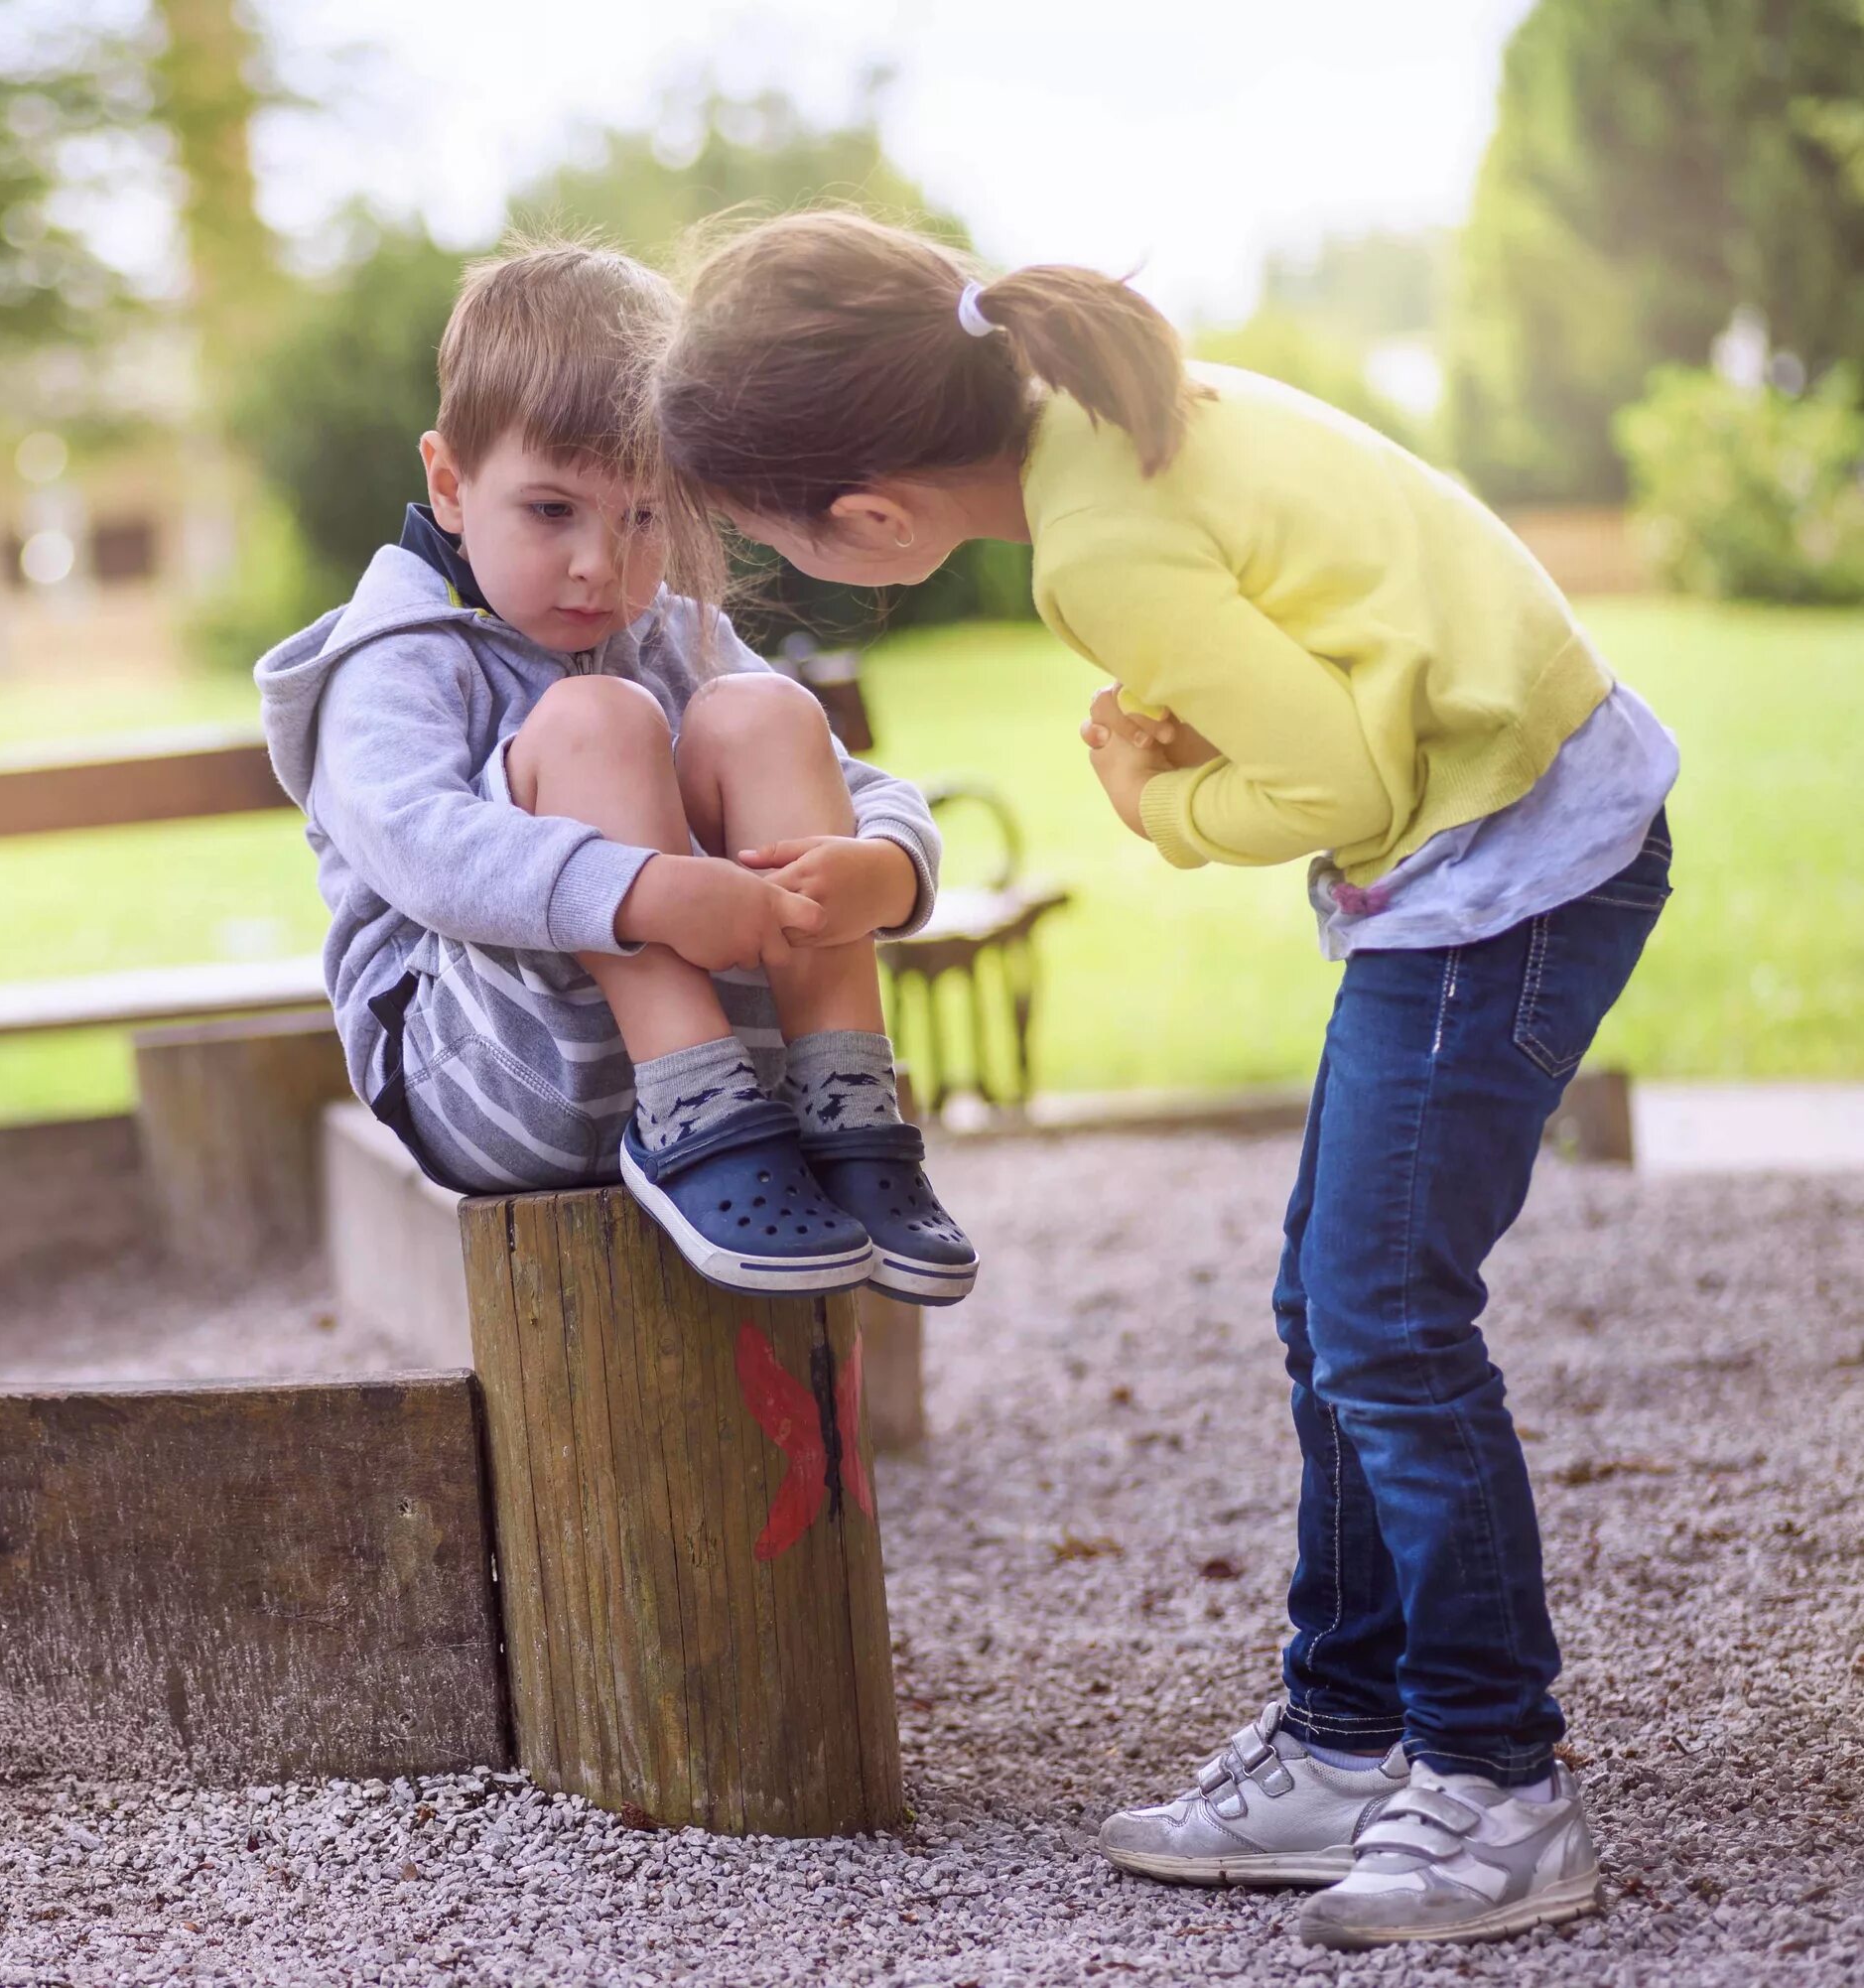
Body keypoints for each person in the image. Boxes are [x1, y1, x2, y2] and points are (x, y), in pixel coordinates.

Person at [651, 209, 1675, 1950]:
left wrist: (1160, 808)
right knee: (1333, 1304)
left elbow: (1344, 783)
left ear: (875, 516)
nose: (772, 568)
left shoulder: (1093, 545)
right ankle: (1351, 1735)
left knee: (1385, 1321)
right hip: (1518, 822)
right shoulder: (1112, 403)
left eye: (770, 540)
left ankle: (1501, 1780)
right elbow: (1343, 636)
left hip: (1503, 879)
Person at [256, 238, 977, 1304]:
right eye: (552, 511)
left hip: (751, 1089)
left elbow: (845, 776)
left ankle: (848, 1102)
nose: (601, 563)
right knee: (597, 719)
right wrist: (641, 890)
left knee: (764, 710)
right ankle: (694, 1112)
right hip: (492, 1073)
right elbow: (418, 845)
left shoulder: (676, 630)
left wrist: (888, 865)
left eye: (644, 517)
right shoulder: (395, 656)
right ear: (451, 483)